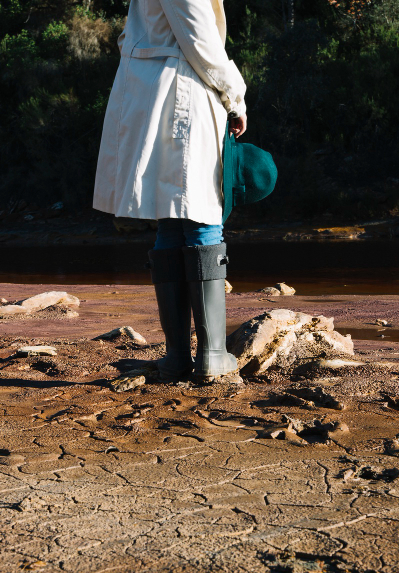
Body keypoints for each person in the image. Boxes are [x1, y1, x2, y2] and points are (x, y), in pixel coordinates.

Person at [93, 0, 247, 383]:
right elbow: (200, 39)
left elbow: (128, 35)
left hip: (151, 91)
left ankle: (178, 356)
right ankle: (210, 355)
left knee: (171, 216)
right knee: (201, 214)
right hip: (183, 89)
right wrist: (236, 94)